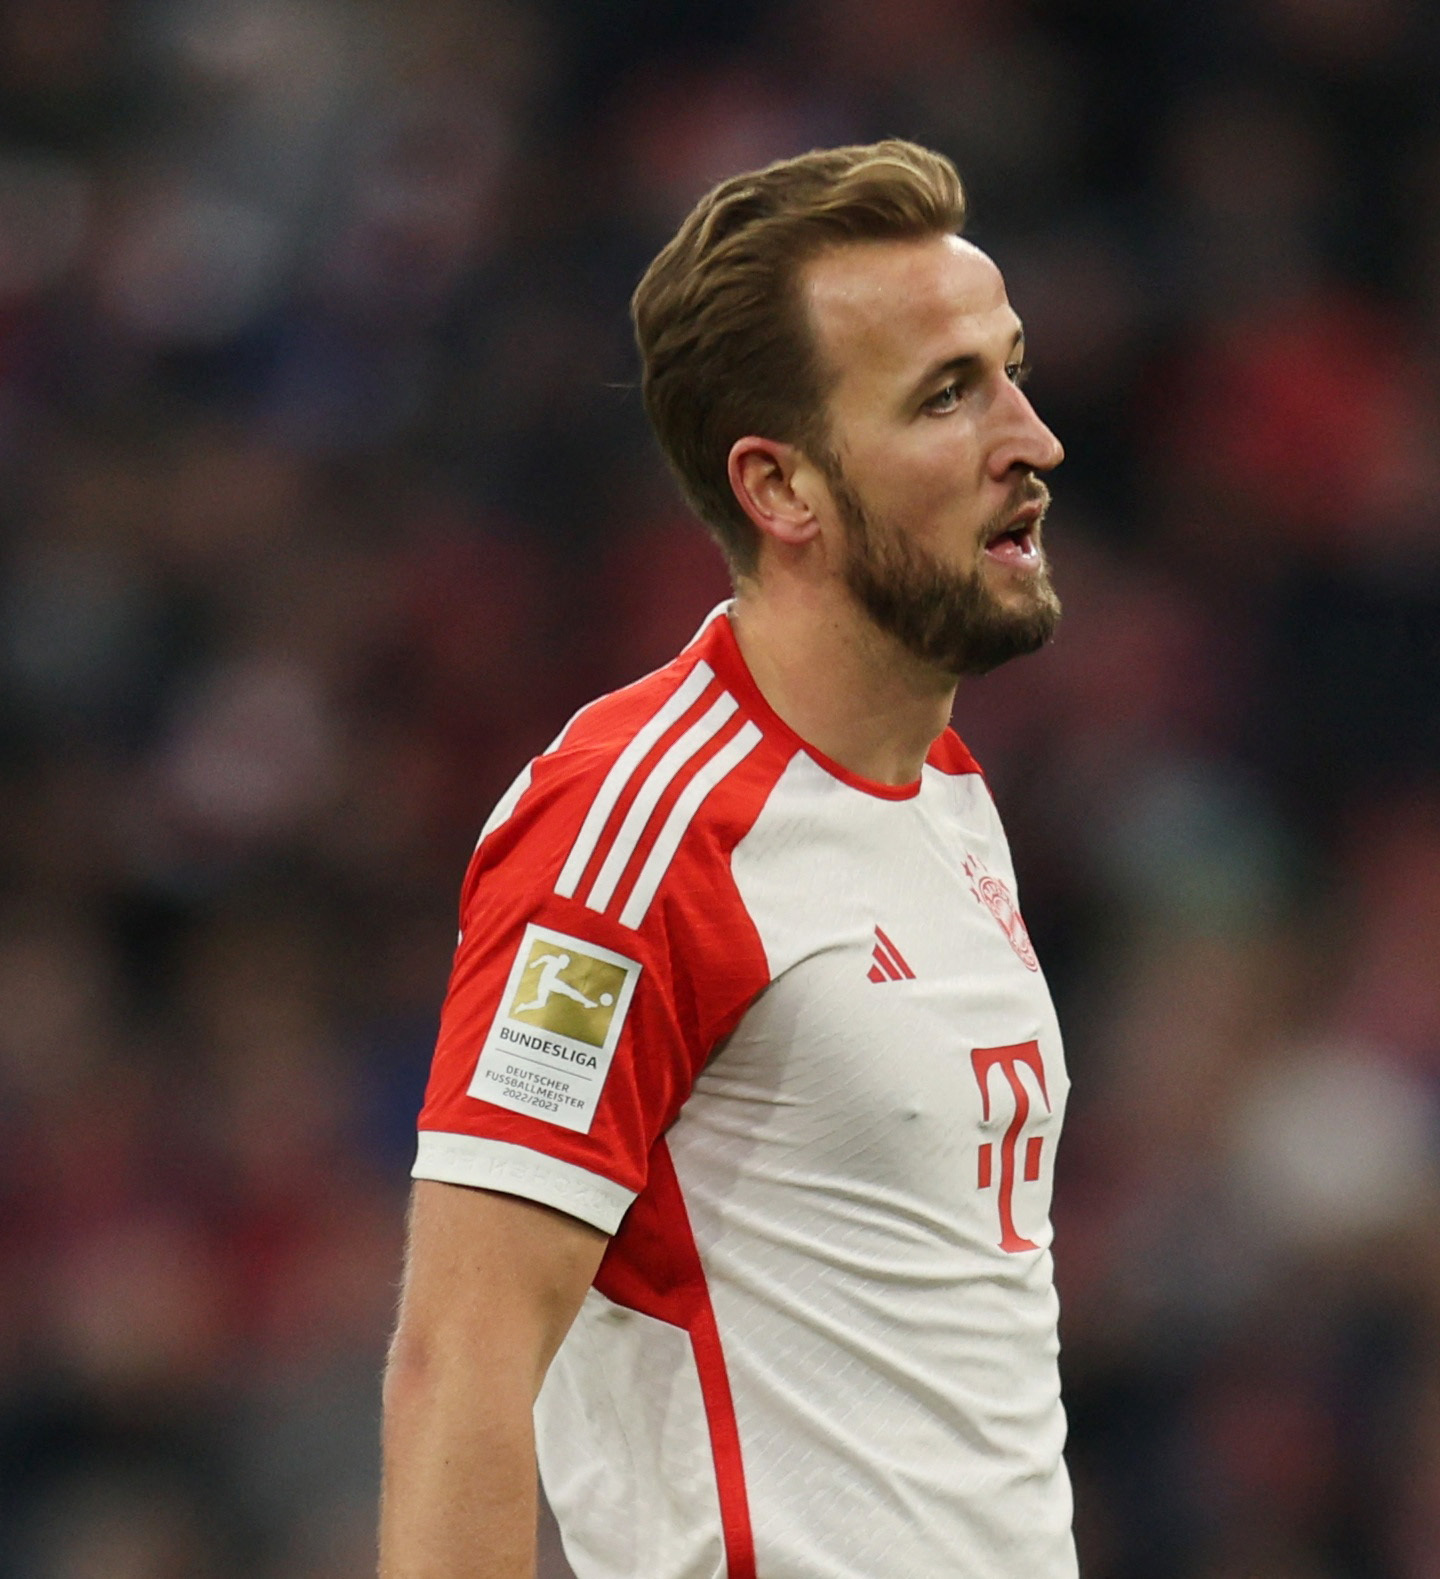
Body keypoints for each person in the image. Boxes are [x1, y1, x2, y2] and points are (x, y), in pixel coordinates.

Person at [379, 141, 1074, 1579]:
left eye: (1009, 369)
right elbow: (459, 1370)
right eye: (949, 395)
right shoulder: (629, 834)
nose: (1033, 439)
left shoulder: (941, 792)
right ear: (782, 488)